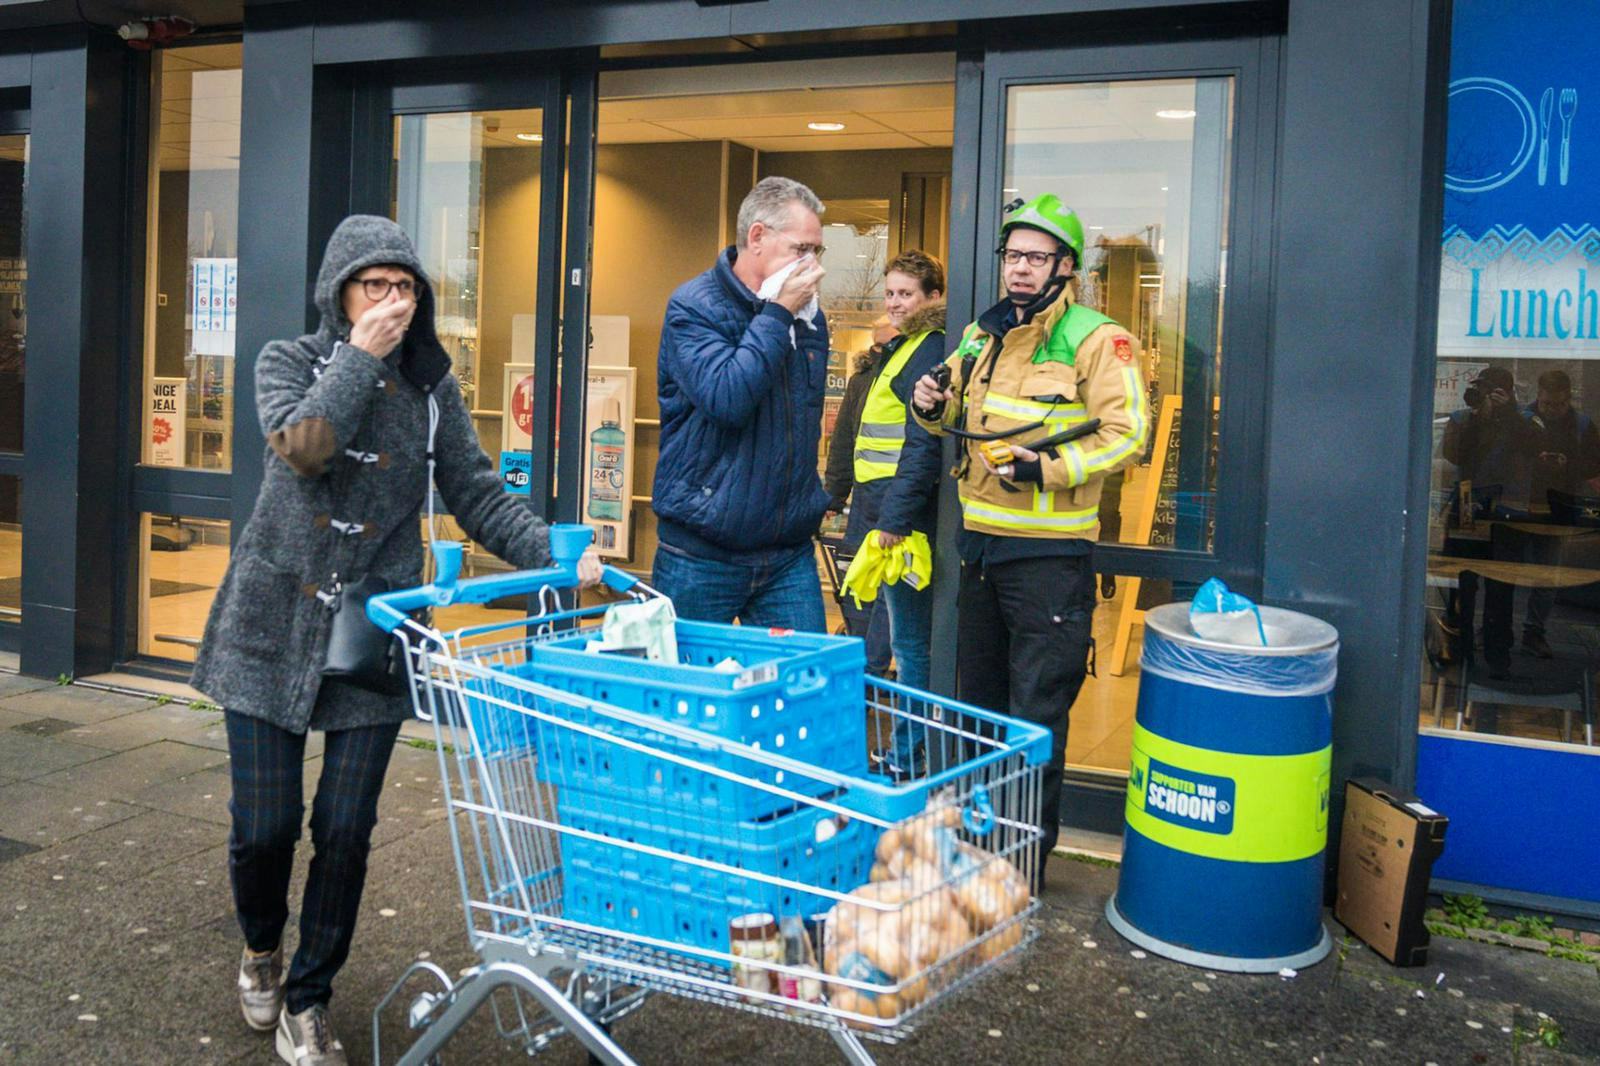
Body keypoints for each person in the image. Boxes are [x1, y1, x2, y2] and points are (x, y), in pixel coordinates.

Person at [190, 215, 601, 1066]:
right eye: (374, 286)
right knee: (265, 826)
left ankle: (309, 997)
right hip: (271, 619)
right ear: (338, 293)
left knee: (345, 827)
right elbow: (302, 449)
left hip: (377, 625)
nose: (393, 301)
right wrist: (359, 360)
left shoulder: (433, 389)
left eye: (406, 287)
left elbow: (478, 493)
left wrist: (562, 558)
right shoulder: (287, 361)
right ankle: (261, 947)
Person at [912, 194, 1150, 873]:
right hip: (980, 548)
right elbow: (954, 418)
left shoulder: (1098, 338)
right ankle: (977, 854)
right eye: (1013, 256)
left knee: (1035, 716)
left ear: (1065, 267)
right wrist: (931, 404)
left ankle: (1019, 867)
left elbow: (1127, 434)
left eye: (1036, 258)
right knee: (980, 713)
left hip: (1048, 558)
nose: (1020, 269)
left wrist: (1047, 469)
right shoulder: (979, 336)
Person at [651, 176, 832, 630]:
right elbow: (727, 398)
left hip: (787, 553)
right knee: (688, 693)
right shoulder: (694, 308)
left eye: (818, 251)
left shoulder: (809, 317)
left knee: (801, 690)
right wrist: (777, 314)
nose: (812, 266)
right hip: (701, 551)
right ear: (757, 237)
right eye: (801, 249)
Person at [854, 251, 947, 771]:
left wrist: (893, 520)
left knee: (910, 646)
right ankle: (906, 753)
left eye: (906, 293)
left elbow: (922, 445)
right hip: (885, 511)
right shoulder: (905, 346)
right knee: (899, 638)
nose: (894, 302)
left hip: (903, 520)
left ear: (933, 298)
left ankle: (908, 757)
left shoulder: (928, 349)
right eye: (889, 292)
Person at [1440, 366, 1538, 677]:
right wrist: (1477, 420)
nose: (1484, 396)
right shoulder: (1463, 418)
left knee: (1501, 586)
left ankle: (1498, 655)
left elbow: (1535, 447)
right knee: (1460, 583)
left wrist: (1507, 414)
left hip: (1506, 509)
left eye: (1491, 390)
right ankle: (1457, 649)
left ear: (1507, 393)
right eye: (1481, 389)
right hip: (1467, 504)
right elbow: (1454, 455)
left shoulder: (1523, 419)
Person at [826, 316, 896, 673]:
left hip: (898, 500)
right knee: (858, 583)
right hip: (867, 501)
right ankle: (864, 661)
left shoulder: (906, 377)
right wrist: (834, 495)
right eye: (878, 345)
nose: (881, 351)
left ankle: (872, 665)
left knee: (889, 588)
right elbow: (842, 444)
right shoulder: (861, 382)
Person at [1520, 369, 1600, 657]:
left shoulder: (1581, 427)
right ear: (1537, 397)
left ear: (1569, 399)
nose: (1553, 410)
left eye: (1559, 404)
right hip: (1521, 504)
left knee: (1548, 575)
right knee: (1507, 574)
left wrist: (1568, 465)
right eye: (1547, 404)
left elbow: (1593, 466)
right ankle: (1499, 629)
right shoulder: (1522, 420)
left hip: (1557, 508)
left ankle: (1534, 631)